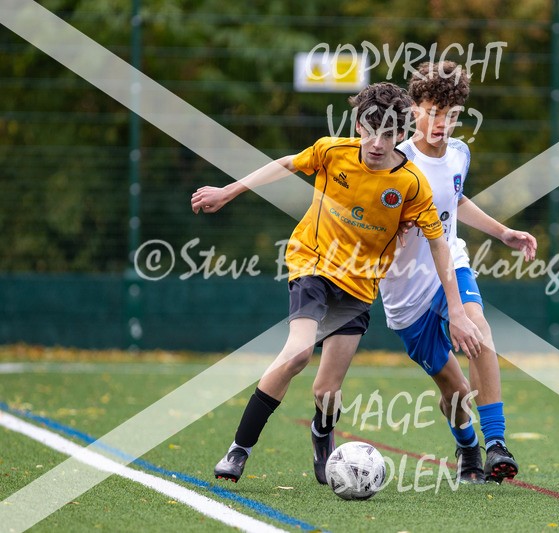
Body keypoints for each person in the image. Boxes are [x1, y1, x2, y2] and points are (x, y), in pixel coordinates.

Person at [190, 82, 483, 484]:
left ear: (402, 135)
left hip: (359, 287)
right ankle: (239, 450)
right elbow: (287, 164)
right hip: (312, 264)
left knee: (326, 391)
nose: (376, 142)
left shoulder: (411, 183)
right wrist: (230, 190)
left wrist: (455, 310)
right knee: (296, 356)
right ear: (358, 125)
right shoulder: (332, 150)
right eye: (369, 129)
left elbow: (439, 245)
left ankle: (321, 433)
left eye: (388, 134)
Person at [379, 62, 537, 484]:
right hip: (404, 290)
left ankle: (497, 443)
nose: (441, 123)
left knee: (478, 330)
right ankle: (467, 446)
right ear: (414, 110)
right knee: (452, 388)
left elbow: (456, 200)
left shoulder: (460, 154)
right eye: (433, 111)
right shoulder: (395, 162)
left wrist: (503, 232)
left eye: (450, 114)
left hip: (452, 263)